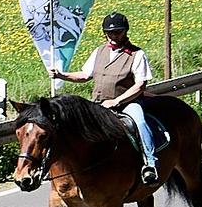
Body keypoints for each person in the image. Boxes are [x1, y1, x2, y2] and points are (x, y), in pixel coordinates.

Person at [50, 12, 159, 186]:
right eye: (110, 33)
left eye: (118, 32)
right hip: (99, 103)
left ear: (125, 31)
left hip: (127, 103)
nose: (114, 36)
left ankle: (150, 163)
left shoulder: (137, 54)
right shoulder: (99, 51)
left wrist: (117, 101)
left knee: (140, 123)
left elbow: (140, 85)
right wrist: (62, 75)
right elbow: (85, 75)